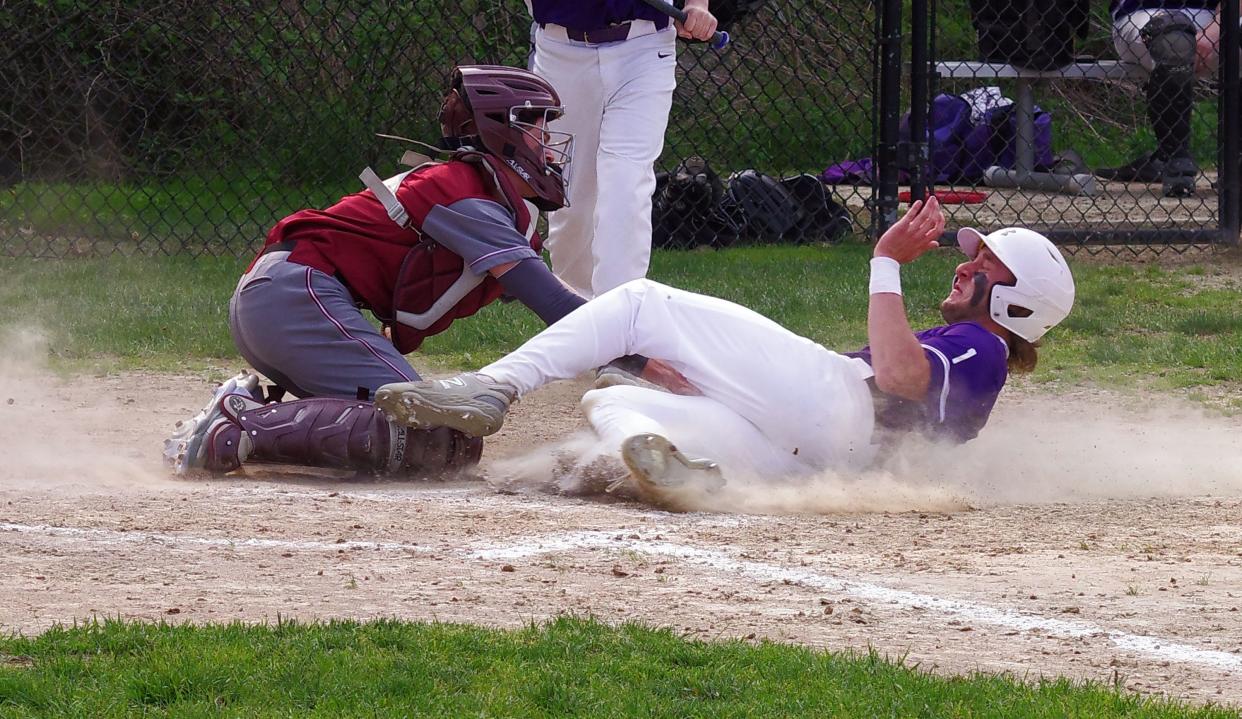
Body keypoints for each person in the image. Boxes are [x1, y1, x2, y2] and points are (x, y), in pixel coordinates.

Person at [371, 197, 1077, 509]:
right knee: (608, 398)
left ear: (1019, 304)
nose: (965, 265)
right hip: (815, 452)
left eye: (985, 265)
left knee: (643, 302)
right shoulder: (976, 353)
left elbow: (893, 376)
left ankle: (493, 386)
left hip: (838, 404)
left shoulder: (981, 348)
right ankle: (676, 472)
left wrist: (885, 261)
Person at [163, 65, 586, 479]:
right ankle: (237, 425)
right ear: (502, 131)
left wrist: (623, 327)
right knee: (426, 431)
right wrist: (639, 351)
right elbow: (552, 303)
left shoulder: (481, 197)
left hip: (282, 297)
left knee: (444, 442)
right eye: (540, 130)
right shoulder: (468, 196)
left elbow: (545, 287)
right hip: (296, 295)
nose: (549, 147)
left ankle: (253, 424)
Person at [526, 0, 719, 297]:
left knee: (625, 182)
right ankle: (576, 314)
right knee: (571, 197)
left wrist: (697, 4)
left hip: (643, 48)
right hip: (560, 49)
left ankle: (621, 317)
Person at [1095, 0, 1223, 197]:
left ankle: (1234, 163)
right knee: (1174, 39)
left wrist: (1219, 24)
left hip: (1217, 17)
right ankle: (1175, 160)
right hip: (1145, 13)